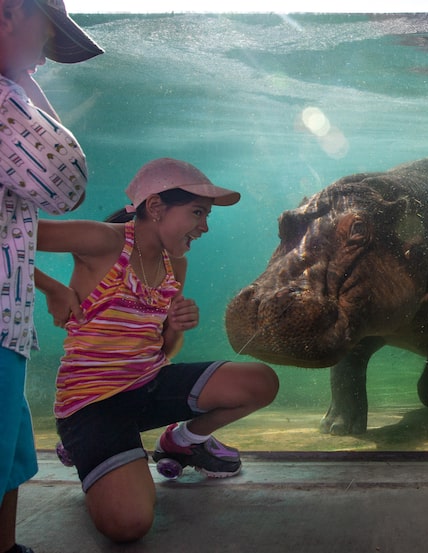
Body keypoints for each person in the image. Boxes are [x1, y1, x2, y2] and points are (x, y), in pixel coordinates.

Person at [37, 158, 279, 543]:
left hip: (150, 386)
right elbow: (10, 230)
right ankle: (84, 447)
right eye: (197, 212)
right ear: (155, 207)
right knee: (129, 524)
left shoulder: (174, 265)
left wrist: (176, 326)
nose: (205, 226)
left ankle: (181, 442)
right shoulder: (103, 241)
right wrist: (52, 288)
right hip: (92, 402)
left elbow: (166, 349)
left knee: (261, 382)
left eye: (207, 215)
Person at [0, 1, 103, 552]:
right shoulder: (4, 101)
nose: (42, 58)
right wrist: (24, 81)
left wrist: (49, 285)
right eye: (44, 36)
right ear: (9, 12)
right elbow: (67, 183)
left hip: (8, 320)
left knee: (11, 455)